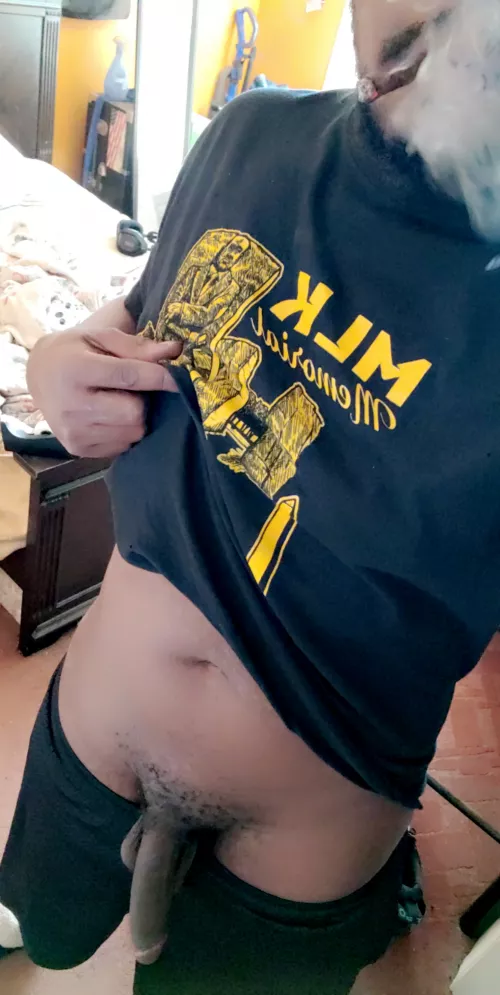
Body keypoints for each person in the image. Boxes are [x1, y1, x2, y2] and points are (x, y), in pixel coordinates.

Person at [1, 0, 498, 991]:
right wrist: (58, 361)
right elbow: (133, 319)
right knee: (45, 927)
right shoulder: (251, 133)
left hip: (308, 840)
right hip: (96, 724)